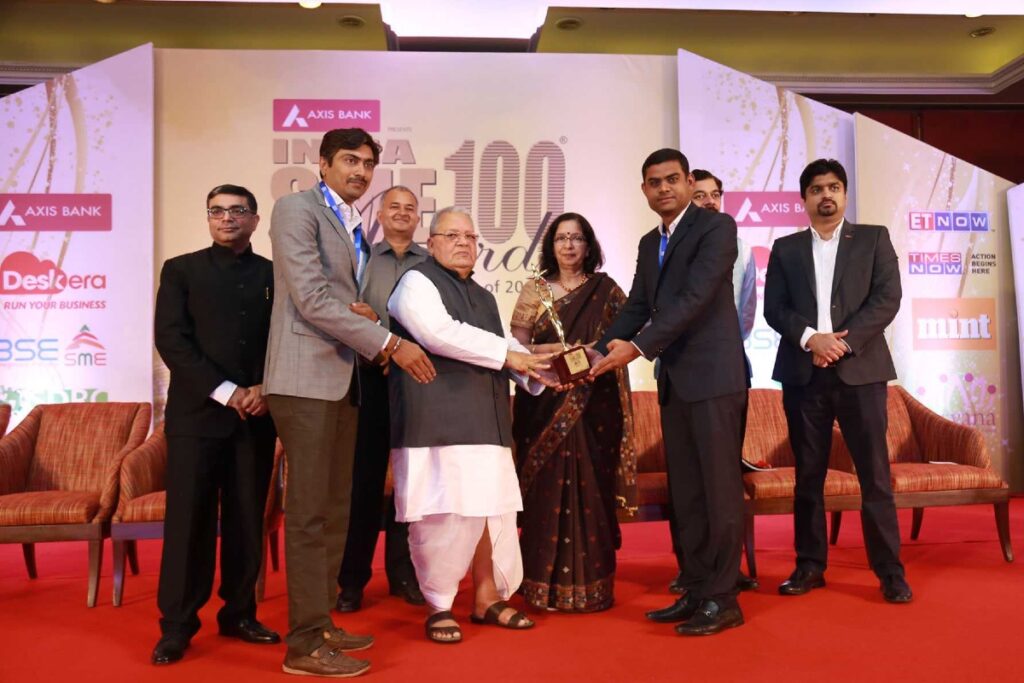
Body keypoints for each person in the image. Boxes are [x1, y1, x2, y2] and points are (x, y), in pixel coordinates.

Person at [264, 128, 436, 678]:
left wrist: (361, 314)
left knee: (334, 511)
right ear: (322, 163)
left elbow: (336, 297)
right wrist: (389, 342)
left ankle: (320, 624)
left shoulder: (352, 221)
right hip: (306, 380)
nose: (359, 171)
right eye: (348, 160)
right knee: (309, 514)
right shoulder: (296, 209)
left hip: (342, 379)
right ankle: (302, 646)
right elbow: (311, 298)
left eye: (367, 164)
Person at [590, 148, 748, 636]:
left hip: (714, 379)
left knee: (719, 492)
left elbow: (695, 299)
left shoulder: (716, 228)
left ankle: (723, 598)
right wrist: (595, 350)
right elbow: (639, 304)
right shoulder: (648, 242)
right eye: (654, 182)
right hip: (676, 382)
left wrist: (637, 347)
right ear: (644, 190)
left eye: (672, 179)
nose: (664, 189)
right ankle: (698, 589)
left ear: (689, 181)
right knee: (688, 493)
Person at [387, 207, 556, 643]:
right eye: (452, 235)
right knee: (443, 514)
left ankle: (487, 597)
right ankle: (439, 605)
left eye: (470, 236)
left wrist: (540, 369)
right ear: (431, 242)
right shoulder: (415, 282)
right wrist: (510, 356)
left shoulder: (483, 295)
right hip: (437, 421)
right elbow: (438, 333)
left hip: (487, 421)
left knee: (491, 510)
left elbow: (502, 346)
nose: (463, 242)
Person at [763, 158, 912, 604]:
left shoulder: (873, 238)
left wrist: (840, 345)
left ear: (844, 194)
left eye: (833, 187)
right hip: (804, 374)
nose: (825, 195)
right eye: (816, 189)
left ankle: (889, 571)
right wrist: (812, 339)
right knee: (808, 475)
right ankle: (809, 565)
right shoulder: (786, 248)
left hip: (860, 372)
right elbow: (775, 308)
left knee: (874, 475)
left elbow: (887, 298)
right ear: (804, 199)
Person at [152, 184, 279, 664]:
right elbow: (171, 340)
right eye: (217, 211)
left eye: (237, 210)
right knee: (189, 522)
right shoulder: (181, 270)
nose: (227, 218)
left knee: (247, 519)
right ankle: (177, 626)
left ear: (254, 219)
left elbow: (287, 339)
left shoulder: (274, 274)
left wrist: (265, 387)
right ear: (209, 219)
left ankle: (240, 613)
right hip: (197, 417)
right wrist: (227, 392)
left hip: (257, 416)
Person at [509, 212, 636, 613]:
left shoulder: (606, 289)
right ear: (551, 246)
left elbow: (625, 337)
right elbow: (518, 346)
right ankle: (540, 586)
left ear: (588, 245)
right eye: (561, 238)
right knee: (545, 488)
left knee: (591, 487)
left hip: (595, 402)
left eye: (576, 238)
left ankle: (593, 587)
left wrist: (592, 353)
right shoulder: (535, 290)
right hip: (545, 397)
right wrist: (553, 353)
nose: (568, 245)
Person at [663, 169, 759, 595]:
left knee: (722, 483)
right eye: (700, 194)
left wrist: (716, 350)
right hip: (676, 375)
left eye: (715, 194)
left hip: (721, 373)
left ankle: (724, 580)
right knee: (688, 486)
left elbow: (744, 314)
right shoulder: (663, 243)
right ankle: (696, 575)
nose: (709, 201)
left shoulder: (737, 244)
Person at [336, 186, 428, 613]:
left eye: (410, 208)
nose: (402, 213)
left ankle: (404, 574)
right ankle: (351, 581)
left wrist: (393, 340)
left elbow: (440, 323)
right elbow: (348, 315)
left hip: (420, 382)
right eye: (395, 207)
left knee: (412, 484)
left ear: (418, 217)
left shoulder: (432, 263)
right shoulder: (361, 260)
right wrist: (383, 345)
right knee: (363, 484)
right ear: (380, 214)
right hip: (369, 381)